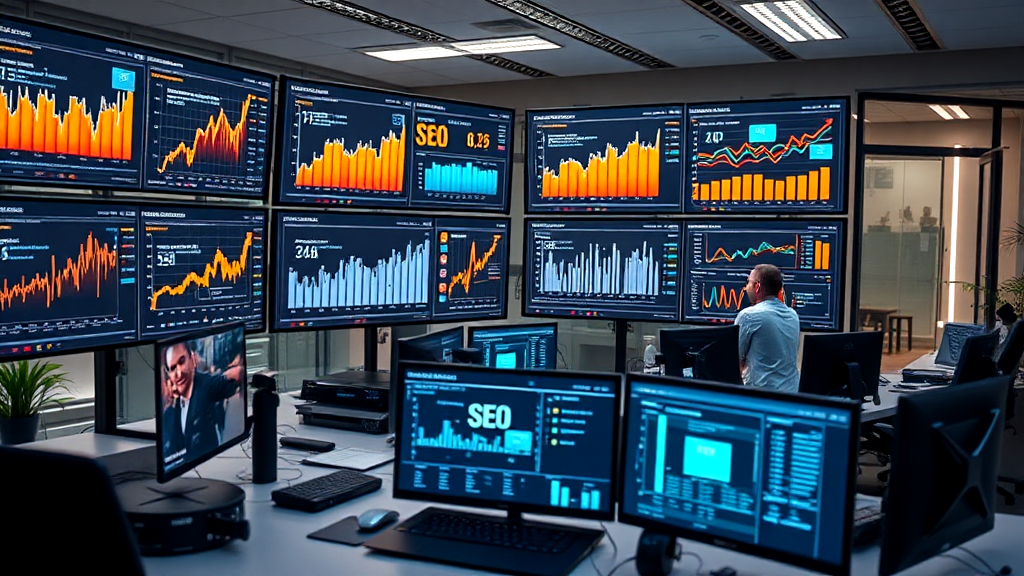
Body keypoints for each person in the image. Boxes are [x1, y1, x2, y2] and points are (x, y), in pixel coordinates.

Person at [161, 339, 245, 468]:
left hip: (210, 467)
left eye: (182, 361)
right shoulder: (173, 408)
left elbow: (237, 374)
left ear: (193, 359)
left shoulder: (206, 386)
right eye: (173, 368)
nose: (178, 373)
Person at [736, 263, 800, 393]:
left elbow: (735, 360)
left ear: (757, 286)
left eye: (748, 282)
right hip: (792, 395)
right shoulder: (793, 315)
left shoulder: (749, 316)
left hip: (761, 397)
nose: (746, 287)